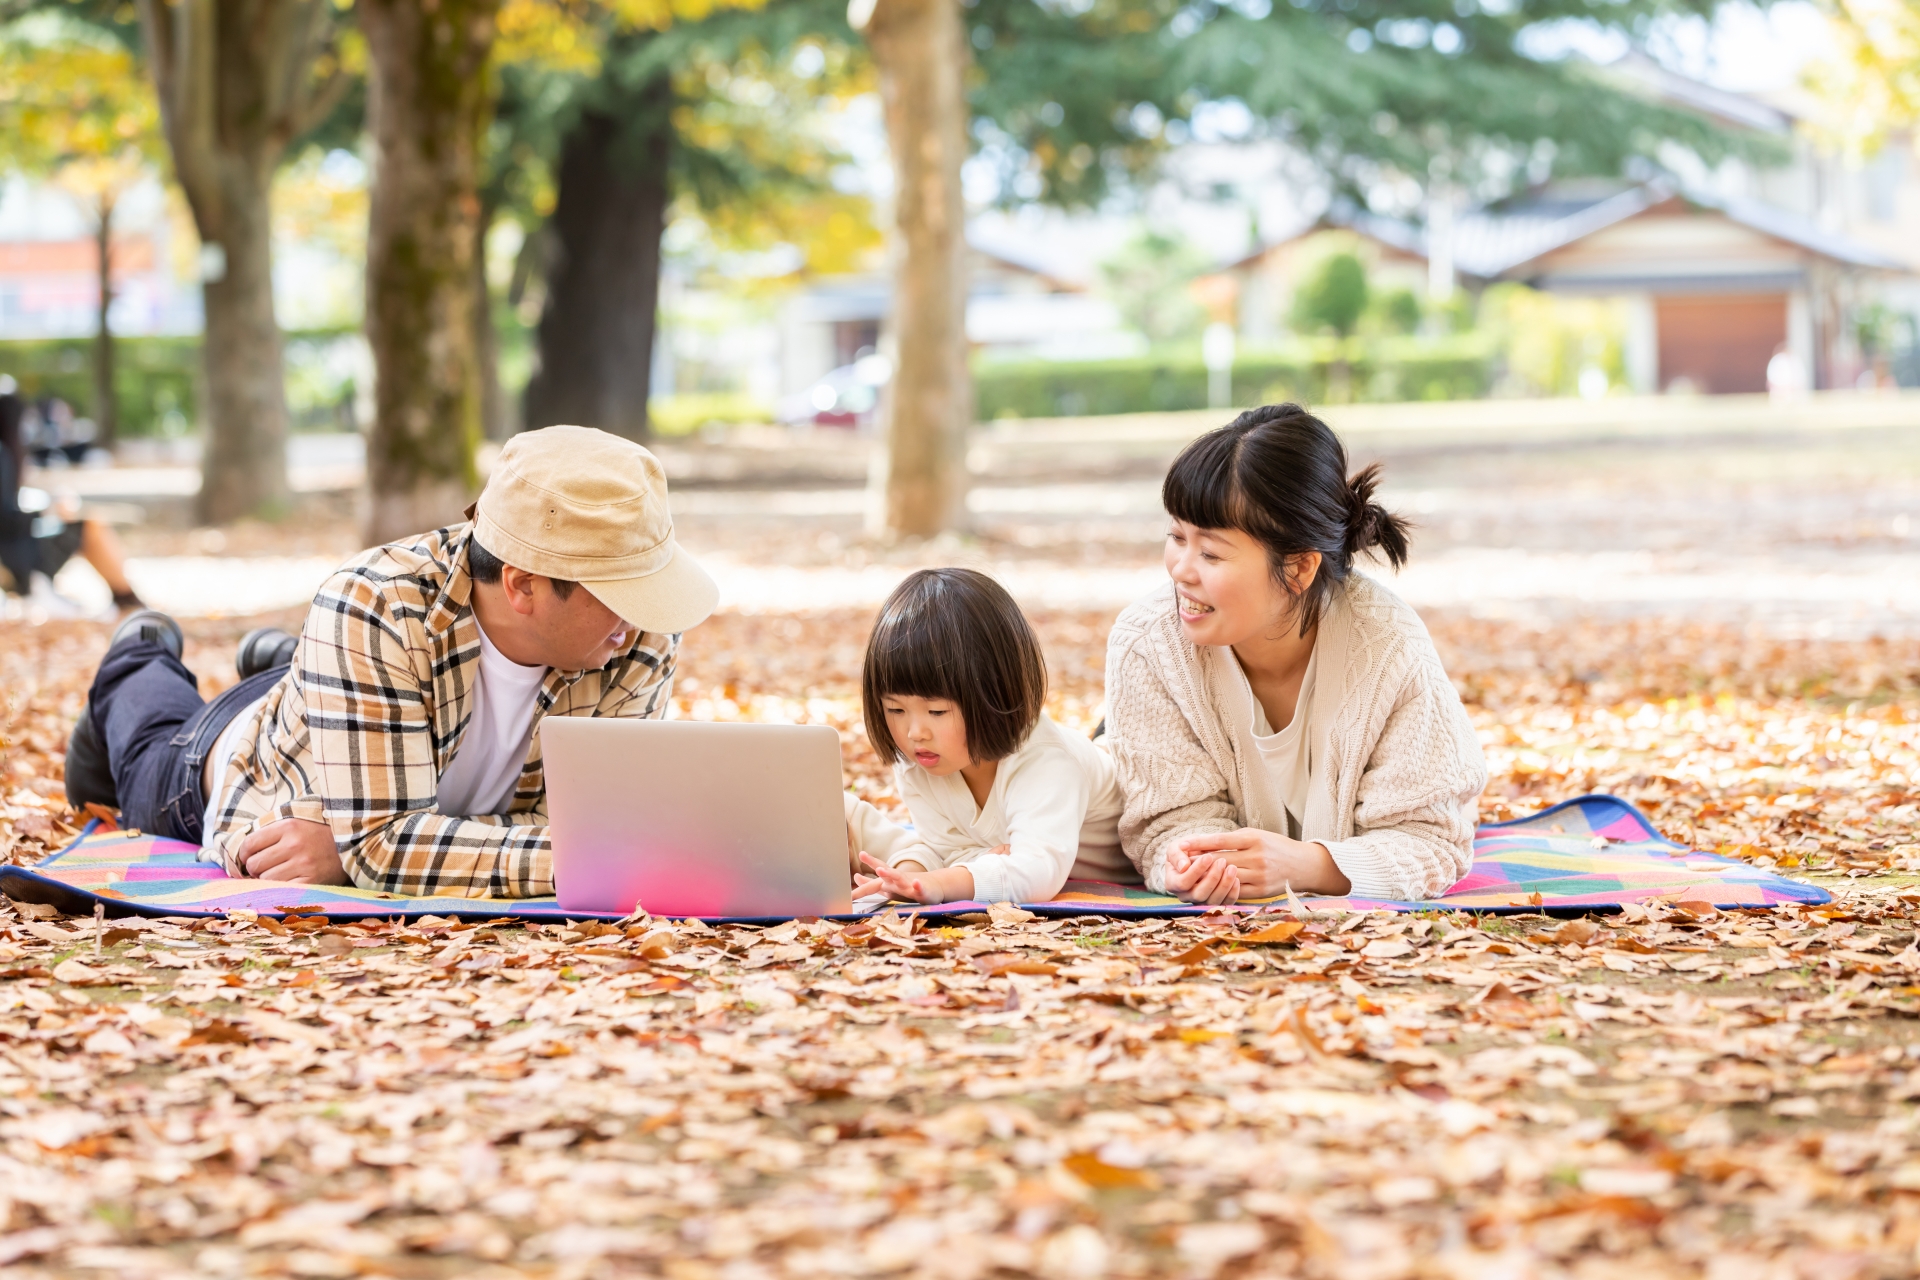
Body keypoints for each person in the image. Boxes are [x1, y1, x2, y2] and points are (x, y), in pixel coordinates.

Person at [63, 425, 719, 894]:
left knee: (355, 708)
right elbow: (387, 848)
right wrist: (375, 846)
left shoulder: (635, 631)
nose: (642, 617)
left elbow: (585, 824)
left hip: (363, 707)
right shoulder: (374, 603)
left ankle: (287, 660)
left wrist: (372, 845)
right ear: (521, 584)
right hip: (235, 760)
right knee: (151, 728)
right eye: (620, 591)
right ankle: (138, 660)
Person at [1102, 403, 1487, 905]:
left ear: (1300, 568)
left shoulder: (1389, 647)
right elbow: (1166, 823)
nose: (1181, 569)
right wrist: (1192, 863)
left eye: (1211, 553)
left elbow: (1430, 840)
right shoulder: (1146, 645)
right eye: (1176, 537)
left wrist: (1307, 866)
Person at [845, 567, 1133, 906]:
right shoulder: (918, 760)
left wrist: (944, 880)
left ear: (995, 695)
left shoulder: (1044, 760)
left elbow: (1036, 873)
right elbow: (949, 852)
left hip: (1131, 770)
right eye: (895, 710)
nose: (914, 732)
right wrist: (959, 866)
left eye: (937, 712)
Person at [0, 378, 143, 613]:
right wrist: (47, 511)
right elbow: (4, 519)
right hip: (15, 558)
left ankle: (127, 597)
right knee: (90, 526)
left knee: (88, 522)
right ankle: (127, 598)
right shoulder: (3, 455)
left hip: (14, 549)